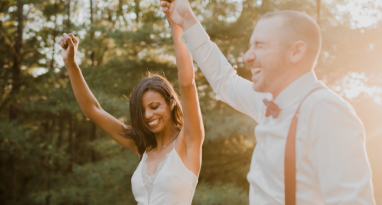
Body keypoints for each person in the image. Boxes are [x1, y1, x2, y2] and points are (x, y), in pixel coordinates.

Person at [161, 0, 376, 204]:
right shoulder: (268, 102)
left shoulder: (327, 112)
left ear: (296, 51)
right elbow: (225, 80)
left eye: (260, 46)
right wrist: (187, 19)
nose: (248, 57)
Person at [59, 17, 204, 204]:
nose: (148, 116)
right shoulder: (142, 146)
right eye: (142, 111)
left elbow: (187, 84)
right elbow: (93, 111)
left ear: (171, 103)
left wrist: (175, 25)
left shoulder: (188, 140)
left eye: (154, 107)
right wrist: (71, 63)